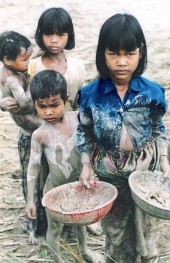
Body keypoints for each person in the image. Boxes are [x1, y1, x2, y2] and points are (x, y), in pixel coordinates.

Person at [76, 13, 170, 263]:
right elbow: (84, 132)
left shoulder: (151, 92)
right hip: (109, 172)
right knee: (116, 229)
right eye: (113, 53)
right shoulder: (90, 95)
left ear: (140, 53)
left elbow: (158, 127)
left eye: (129, 53)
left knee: (145, 228)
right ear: (102, 54)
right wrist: (86, 165)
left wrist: (163, 159)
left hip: (144, 172)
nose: (121, 62)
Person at [24, 70, 104, 263]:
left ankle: (85, 250)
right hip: (55, 191)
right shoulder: (40, 134)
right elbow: (33, 168)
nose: (48, 112)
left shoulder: (80, 119)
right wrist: (31, 199)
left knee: (80, 221)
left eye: (54, 104)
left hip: (80, 187)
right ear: (34, 105)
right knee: (55, 229)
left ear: (66, 100)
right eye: (42, 106)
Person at [29, 7, 102, 235]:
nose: (54, 40)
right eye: (48, 34)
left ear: (69, 36)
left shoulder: (77, 67)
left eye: (60, 34)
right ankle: (48, 219)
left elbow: (80, 101)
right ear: (40, 34)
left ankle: (85, 216)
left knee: (79, 169)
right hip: (42, 129)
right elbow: (30, 101)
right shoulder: (34, 65)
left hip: (71, 128)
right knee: (47, 175)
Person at [0, 31, 46, 241]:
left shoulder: (15, 68)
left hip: (36, 127)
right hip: (30, 130)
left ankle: (45, 217)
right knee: (32, 178)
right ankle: (34, 225)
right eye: (25, 59)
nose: (29, 61)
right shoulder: (10, 79)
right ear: (8, 60)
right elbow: (26, 104)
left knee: (45, 175)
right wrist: (33, 76)